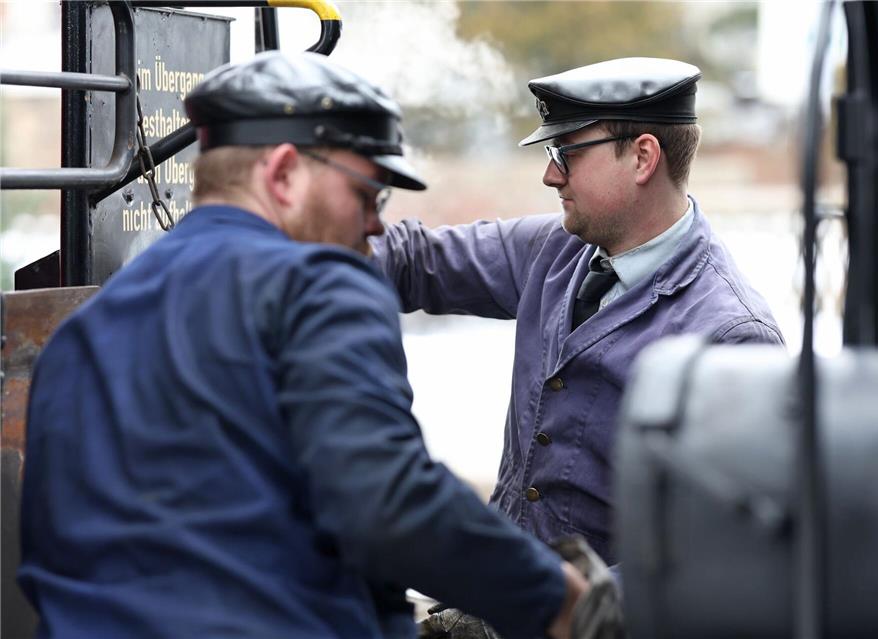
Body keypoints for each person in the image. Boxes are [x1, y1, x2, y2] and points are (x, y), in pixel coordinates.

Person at [18, 51, 586, 639]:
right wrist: (559, 599)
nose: (374, 225)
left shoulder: (84, 331)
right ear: (284, 173)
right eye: (367, 193)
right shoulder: (319, 284)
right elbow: (388, 506)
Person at [372, 57, 784, 566]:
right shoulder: (555, 249)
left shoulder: (733, 340)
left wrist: (560, 606)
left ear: (642, 158)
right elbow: (416, 262)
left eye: (565, 153)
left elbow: (717, 562)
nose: (550, 175)